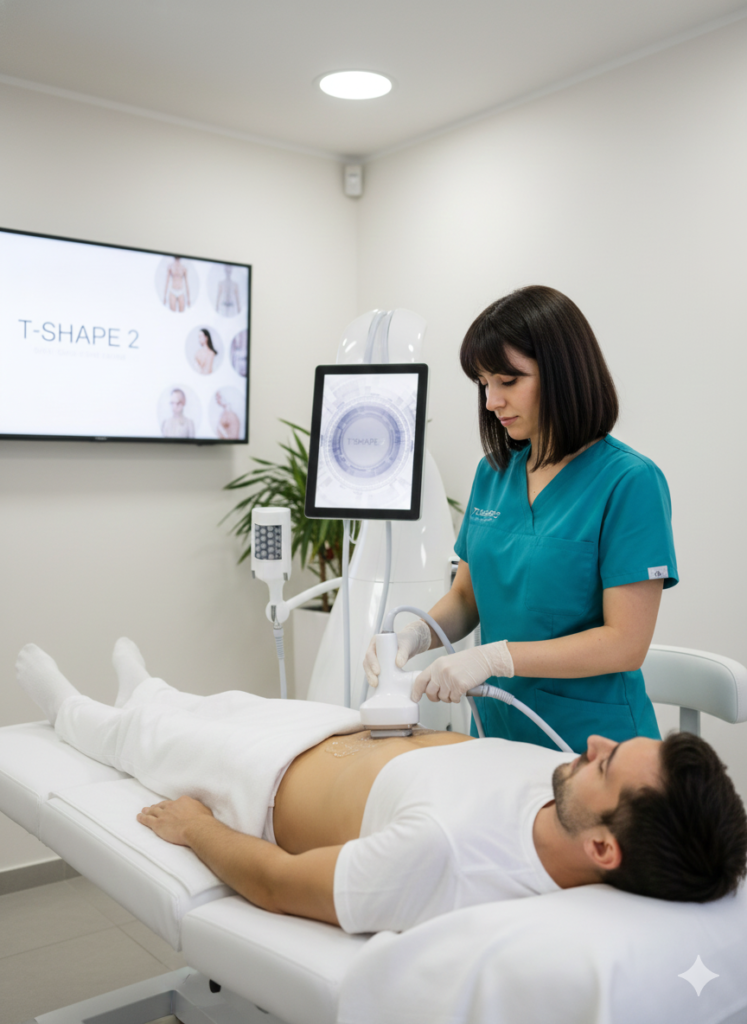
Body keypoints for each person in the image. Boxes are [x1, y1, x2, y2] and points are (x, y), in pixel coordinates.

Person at [16, 640, 746, 935]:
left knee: (141, 742)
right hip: (332, 731)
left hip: (260, 782)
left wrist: (195, 828)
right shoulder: (563, 795)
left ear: (602, 847)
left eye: (606, 764)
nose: (591, 745)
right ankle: (151, 688)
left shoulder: (445, 854)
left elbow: (278, 881)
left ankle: (74, 713)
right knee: (215, 704)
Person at [365, 286, 678, 754]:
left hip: (594, 748)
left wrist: (496, 657)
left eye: (508, 382)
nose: (491, 401)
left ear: (563, 375)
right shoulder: (492, 474)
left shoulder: (629, 482)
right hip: (497, 735)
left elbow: (625, 642)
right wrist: (413, 636)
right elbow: (467, 597)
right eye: (483, 383)